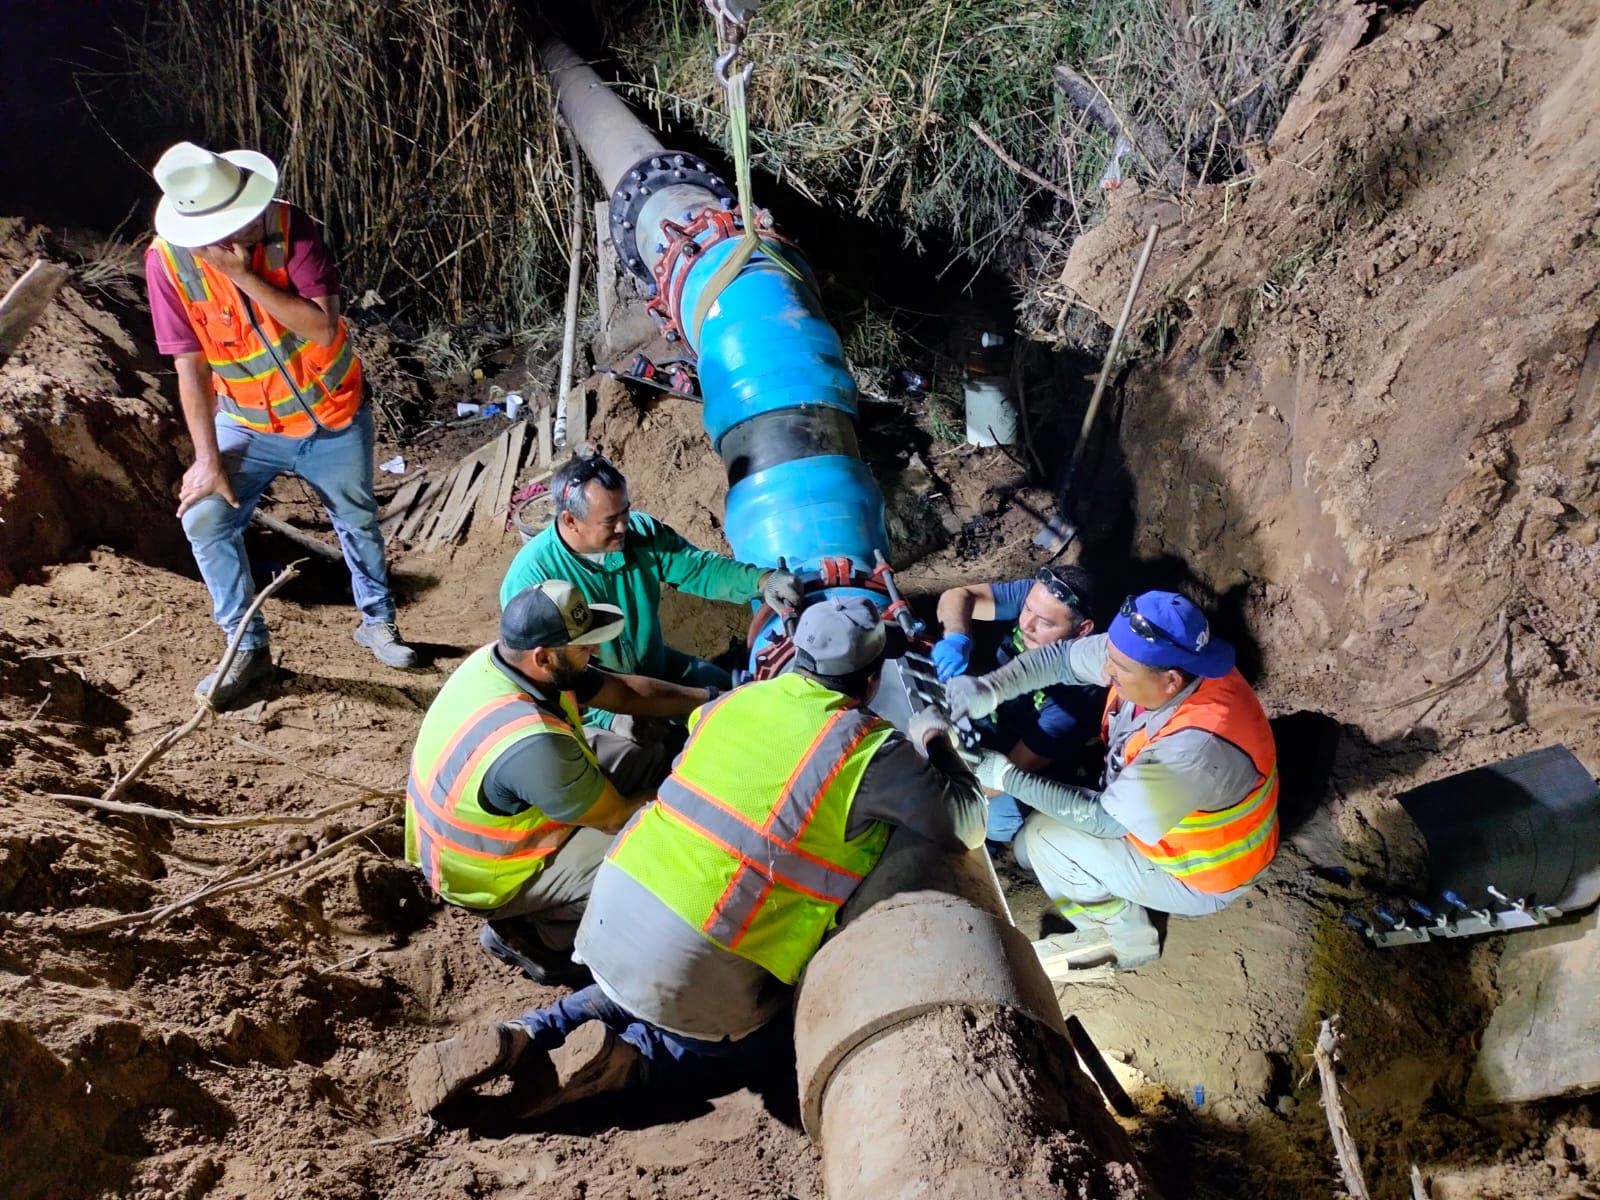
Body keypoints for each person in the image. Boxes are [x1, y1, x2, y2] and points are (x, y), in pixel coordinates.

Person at [407, 596, 987, 1120]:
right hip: (696, 956)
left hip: (611, 914)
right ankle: (628, 1060)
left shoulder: (736, 703)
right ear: (871, 679)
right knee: (758, 1036)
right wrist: (936, 740)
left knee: (643, 976)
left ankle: (531, 1030)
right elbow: (966, 823)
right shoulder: (870, 749)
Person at [145, 141, 416, 708]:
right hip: (246, 423)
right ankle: (246, 648)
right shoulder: (167, 262)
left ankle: (378, 622)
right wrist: (207, 459)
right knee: (203, 517)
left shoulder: (292, 227)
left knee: (357, 519)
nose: (245, 225)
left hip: (331, 413)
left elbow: (321, 328)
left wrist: (242, 276)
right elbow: (189, 365)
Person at [947, 591, 1279, 973]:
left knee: (1043, 841)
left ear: (1170, 681)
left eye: (1118, 668)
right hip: (1161, 826)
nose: (1106, 670)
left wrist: (1005, 775)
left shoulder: (1196, 747)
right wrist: (992, 688)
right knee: (1026, 848)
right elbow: (1061, 659)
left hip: (1202, 873)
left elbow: (1104, 819)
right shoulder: (1152, 656)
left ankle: (1125, 941)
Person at [405, 580, 717, 985]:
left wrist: (713, 699)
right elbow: (617, 817)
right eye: (584, 647)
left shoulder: (504, 662)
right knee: (657, 856)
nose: (597, 652)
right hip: (490, 874)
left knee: (642, 757)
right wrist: (707, 791)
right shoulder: (533, 741)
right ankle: (541, 936)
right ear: (544, 657)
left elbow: (623, 693)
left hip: (503, 812)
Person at [499, 452, 804, 782]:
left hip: (657, 666)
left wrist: (761, 581)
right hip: (598, 701)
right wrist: (608, 717)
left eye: (625, 511)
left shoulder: (640, 532)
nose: (623, 526)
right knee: (647, 762)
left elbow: (698, 568)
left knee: (734, 700)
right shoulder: (533, 584)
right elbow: (548, 675)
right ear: (571, 520)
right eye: (610, 520)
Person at [931, 564, 1106, 849]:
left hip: (1033, 759)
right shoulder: (1038, 598)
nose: (1027, 624)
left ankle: (1017, 829)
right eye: (1026, 610)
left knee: (994, 818)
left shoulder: (1079, 698)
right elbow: (955, 596)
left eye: (1045, 623)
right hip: (996, 716)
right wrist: (956, 636)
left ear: (1082, 630)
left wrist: (940, 783)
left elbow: (1001, 777)